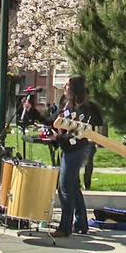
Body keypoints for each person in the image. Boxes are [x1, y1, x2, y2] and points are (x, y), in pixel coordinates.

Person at [24, 75, 102, 237]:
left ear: (74, 89)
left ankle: (65, 227)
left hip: (77, 150)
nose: (64, 86)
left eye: (67, 84)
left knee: (64, 186)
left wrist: (57, 138)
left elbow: (78, 135)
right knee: (72, 186)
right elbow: (51, 121)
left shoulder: (83, 109)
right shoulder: (66, 104)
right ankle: (81, 223)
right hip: (67, 149)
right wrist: (32, 110)